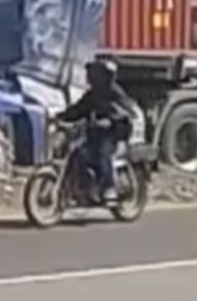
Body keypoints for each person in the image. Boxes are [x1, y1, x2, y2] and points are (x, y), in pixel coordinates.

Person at [56, 59, 137, 204]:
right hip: (95, 133)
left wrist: (111, 120)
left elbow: (127, 112)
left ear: (106, 76)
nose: (91, 76)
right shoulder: (92, 94)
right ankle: (84, 188)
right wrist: (61, 117)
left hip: (114, 135)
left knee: (102, 154)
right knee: (79, 154)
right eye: (91, 73)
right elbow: (79, 109)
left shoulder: (115, 93)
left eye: (96, 73)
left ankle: (109, 188)